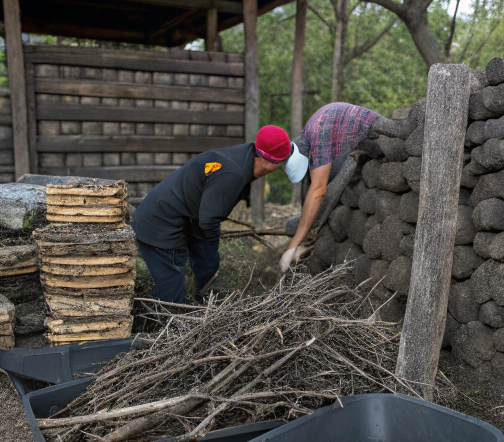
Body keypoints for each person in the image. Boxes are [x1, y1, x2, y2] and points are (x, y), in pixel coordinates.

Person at [132, 124, 292, 302]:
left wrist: (207, 270)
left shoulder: (243, 156)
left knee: (184, 278)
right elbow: (208, 221)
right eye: (280, 164)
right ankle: (158, 325)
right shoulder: (233, 173)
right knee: (171, 289)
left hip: (174, 219)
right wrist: (211, 259)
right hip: (160, 225)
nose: (279, 168)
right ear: (265, 161)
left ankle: (198, 299)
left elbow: (203, 220)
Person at [279, 101, 406, 272]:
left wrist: (292, 247)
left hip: (372, 129)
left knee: (403, 134)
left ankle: (309, 231)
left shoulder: (319, 136)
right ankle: (307, 228)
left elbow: (319, 192)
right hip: (359, 140)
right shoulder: (309, 135)